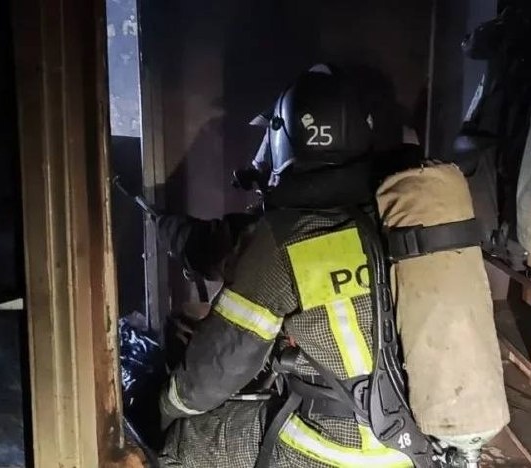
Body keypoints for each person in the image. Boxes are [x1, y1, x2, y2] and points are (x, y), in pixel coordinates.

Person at [157, 64, 421, 468]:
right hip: (413, 443)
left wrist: (166, 406)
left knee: (185, 441)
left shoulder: (283, 242)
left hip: (336, 453)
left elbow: (215, 371)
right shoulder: (394, 215)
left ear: (282, 143)